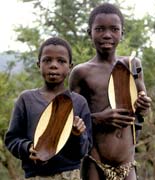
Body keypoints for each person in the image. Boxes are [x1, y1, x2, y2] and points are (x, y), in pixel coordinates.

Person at [69, 3, 152, 180]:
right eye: (99, 29)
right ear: (89, 33)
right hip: (94, 162)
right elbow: (69, 121)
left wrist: (144, 104)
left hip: (127, 163)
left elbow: (142, 108)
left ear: (122, 33)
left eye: (114, 29)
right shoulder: (81, 73)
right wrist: (98, 118)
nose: (107, 35)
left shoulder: (133, 65)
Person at [4, 37, 92, 180]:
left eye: (61, 61)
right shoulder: (26, 100)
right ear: (39, 64)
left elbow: (85, 148)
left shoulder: (79, 102)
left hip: (70, 175)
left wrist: (78, 134)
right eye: (47, 60)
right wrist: (28, 148)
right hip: (35, 176)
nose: (54, 65)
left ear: (70, 66)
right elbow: (12, 139)